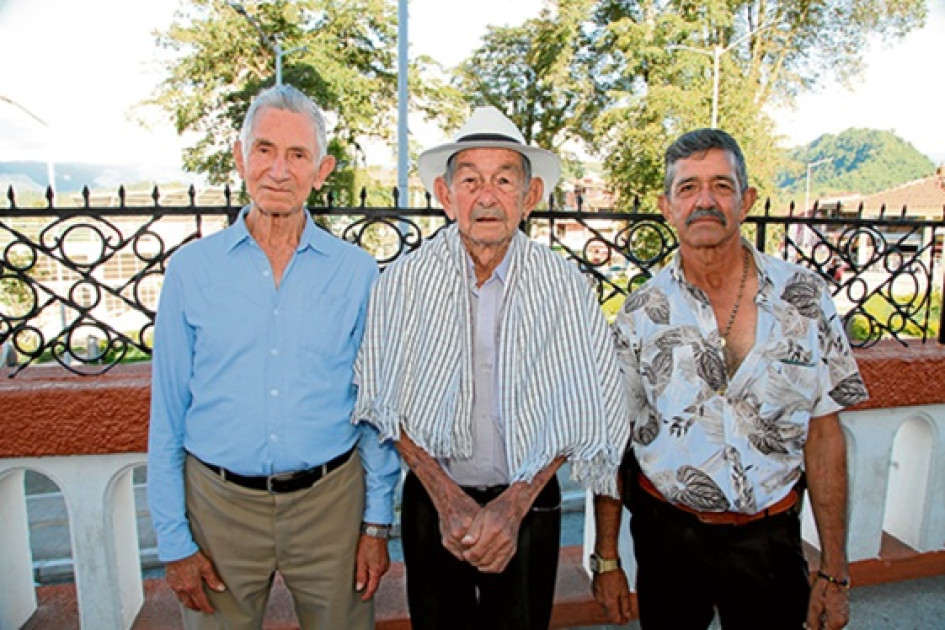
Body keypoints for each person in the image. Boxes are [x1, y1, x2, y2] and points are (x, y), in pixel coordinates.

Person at [354, 106, 630, 630]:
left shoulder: (564, 286)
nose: (486, 196)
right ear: (445, 194)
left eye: (504, 180)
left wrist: (514, 504)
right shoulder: (403, 282)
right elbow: (383, 399)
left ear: (530, 197)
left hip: (530, 502)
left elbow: (586, 402)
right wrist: (447, 498)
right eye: (471, 180)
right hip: (432, 500)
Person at [592, 128, 869, 630]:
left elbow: (826, 437)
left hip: (769, 541)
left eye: (721, 186)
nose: (705, 201)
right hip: (666, 538)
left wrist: (835, 570)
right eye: (688, 188)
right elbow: (613, 443)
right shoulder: (639, 313)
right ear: (666, 206)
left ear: (746, 200)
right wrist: (607, 559)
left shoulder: (805, 299)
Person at [147, 84, 401, 630]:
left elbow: (375, 407)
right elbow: (167, 413)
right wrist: (173, 540)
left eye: (297, 155)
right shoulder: (192, 271)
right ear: (240, 158)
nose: (278, 171)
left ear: (322, 169)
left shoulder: (356, 273)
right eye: (264, 149)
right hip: (217, 509)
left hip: (330, 506)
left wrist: (376, 523)